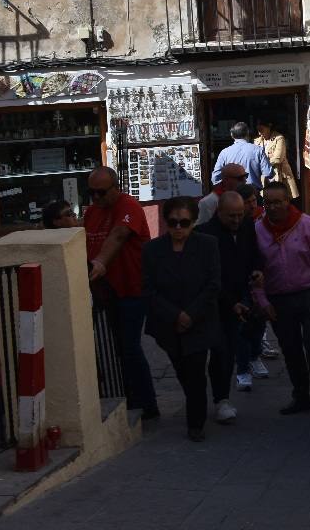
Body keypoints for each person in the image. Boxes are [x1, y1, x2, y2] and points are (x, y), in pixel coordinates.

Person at [254, 182, 310, 421]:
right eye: (267, 202)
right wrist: (262, 301)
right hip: (278, 299)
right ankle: (300, 396)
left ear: (287, 201)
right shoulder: (258, 230)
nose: (272, 207)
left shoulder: (306, 225)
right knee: (290, 350)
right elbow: (254, 270)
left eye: (277, 202)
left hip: (308, 295)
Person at [142, 196, 222, 441]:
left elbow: (213, 284)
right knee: (181, 369)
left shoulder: (207, 245)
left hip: (199, 320)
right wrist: (175, 315)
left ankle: (195, 422)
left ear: (193, 222)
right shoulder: (153, 250)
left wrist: (191, 314)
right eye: (173, 222)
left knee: (196, 372)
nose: (178, 228)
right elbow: (148, 288)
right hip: (168, 323)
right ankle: (194, 404)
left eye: (184, 223)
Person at [84, 166, 158, 420]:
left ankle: (145, 403)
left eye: (101, 193)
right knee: (118, 347)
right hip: (106, 291)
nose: (96, 198)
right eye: (91, 193)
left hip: (132, 288)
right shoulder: (92, 211)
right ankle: (129, 397)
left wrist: (101, 263)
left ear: (115, 188)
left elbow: (118, 235)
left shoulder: (129, 206)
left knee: (129, 346)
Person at [195, 191, 259, 425]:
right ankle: (207, 400)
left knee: (225, 352)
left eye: (240, 215)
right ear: (218, 212)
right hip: (212, 304)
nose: (236, 220)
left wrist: (257, 270)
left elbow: (253, 255)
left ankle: (221, 398)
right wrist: (231, 302)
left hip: (238, 301)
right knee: (210, 353)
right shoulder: (204, 235)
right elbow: (211, 278)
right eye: (231, 215)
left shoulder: (246, 227)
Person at [233, 183, 270, 391]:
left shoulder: (258, 221)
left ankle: (255, 356)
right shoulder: (234, 223)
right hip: (238, 283)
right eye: (247, 202)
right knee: (242, 326)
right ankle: (243, 368)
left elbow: (258, 251)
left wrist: (259, 270)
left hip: (258, 280)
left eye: (253, 201)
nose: (251, 205)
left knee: (259, 321)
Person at [212, 123, 273, 188]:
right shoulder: (258, 150)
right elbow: (268, 173)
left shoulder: (224, 153)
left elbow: (215, 178)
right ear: (248, 134)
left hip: (233, 194)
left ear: (232, 135)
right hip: (253, 194)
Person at [256, 120, 299, 200]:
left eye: (261, 130)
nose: (259, 133)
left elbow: (278, 159)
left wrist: (262, 163)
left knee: (281, 199)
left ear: (269, 127)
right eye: (258, 130)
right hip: (264, 177)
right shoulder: (257, 141)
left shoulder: (279, 138)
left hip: (280, 175)